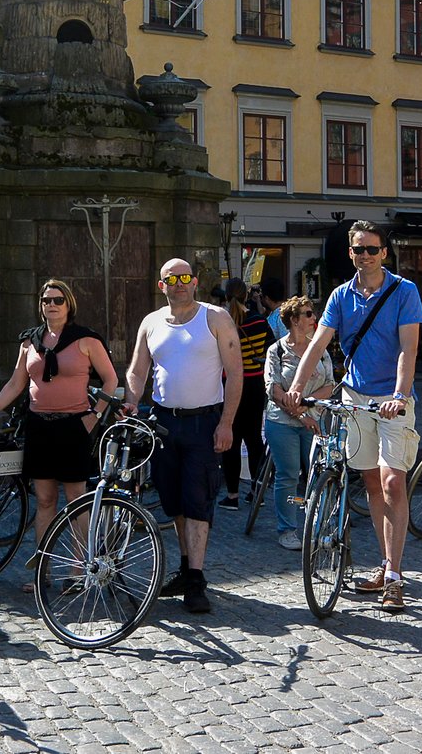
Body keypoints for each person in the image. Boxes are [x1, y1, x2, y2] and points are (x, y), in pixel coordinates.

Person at [287, 219, 422, 612]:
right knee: (371, 484)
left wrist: (399, 394)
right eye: (358, 250)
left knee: (393, 482)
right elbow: (317, 345)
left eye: (372, 249)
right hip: (355, 396)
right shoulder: (340, 296)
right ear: (350, 254)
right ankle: (384, 564)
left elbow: (408, 350)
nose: (365, 256)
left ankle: (396, 576)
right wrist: (299, 386)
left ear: (384, 253)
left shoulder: (404, 291)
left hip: (391, 399)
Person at [0, 278, 117, 591]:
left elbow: (111, 380)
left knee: (76, 500)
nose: (52, 305)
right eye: (46, 300)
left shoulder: (85, 339)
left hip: (74, 426)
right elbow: (16, 384)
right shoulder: (30, 341)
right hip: (39, 427)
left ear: (68, 304)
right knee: (44, 500)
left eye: (58, 300)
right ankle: (42, 569)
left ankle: (77, 569)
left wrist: (93, 417)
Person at [123, 258, 243, 615]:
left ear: (195, 282)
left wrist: (227, 423)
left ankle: (196, 580)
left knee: (198, 500)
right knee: (174, 501)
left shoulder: (215, 318)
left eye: (185, 277)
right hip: (162, 423)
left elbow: (235, 374)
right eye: (171, 279)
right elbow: (137, 370)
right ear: (161, 286)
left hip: (204, 423)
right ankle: (186, 567)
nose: (179, 283)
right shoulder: (151, 323)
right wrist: (130, 402)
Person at [263, 295, 334, 549]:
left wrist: (308, 403)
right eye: (307, 314)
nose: (313, 318)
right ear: (294, 321)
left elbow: (330, 385)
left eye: (312, 313)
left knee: (318, 475)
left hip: (315, 421)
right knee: (289, 475)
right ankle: (288, 529)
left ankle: (318, 527)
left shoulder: (320, 350)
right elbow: (274, 389)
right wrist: (300, 414)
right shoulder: (277, 350)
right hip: (282, 423)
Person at [220, 277, 272, 511]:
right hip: (254, 384)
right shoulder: (259, 321)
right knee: (253, 439)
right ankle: (255, 489)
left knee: (230, 439)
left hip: (229, 384)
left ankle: (232, 495)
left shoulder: (223, 323)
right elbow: (272, 349)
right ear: (247, 295)